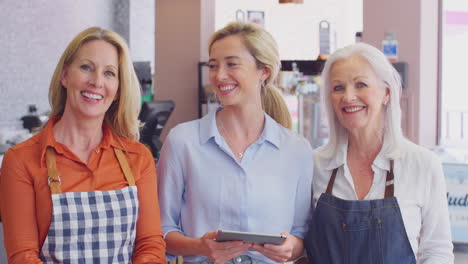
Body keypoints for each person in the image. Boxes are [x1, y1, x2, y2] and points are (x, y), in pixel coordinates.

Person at [0, 27, 166, 264]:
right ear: (65, 75)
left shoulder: (138, 157)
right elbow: (23, 256)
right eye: (86, 67)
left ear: (118, 89)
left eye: (110, 73)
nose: (97, 81)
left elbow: (150, 245)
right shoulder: (21, 159)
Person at [157, 22, 313, 264]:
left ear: (264, 71)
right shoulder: (182, 142)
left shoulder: (297, 150)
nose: (219, 76)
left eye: (232, 64)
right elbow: (160, 232)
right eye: (213, 66)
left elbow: (302, 234)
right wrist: (200, 247)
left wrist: (292, 247)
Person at [304, 43, 454, 263]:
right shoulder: (314, 164)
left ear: (386, 93)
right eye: (338, 88)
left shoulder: (423, 164)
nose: (348, 96)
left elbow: (437, 251)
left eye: (361, 85)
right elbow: (302, 248)